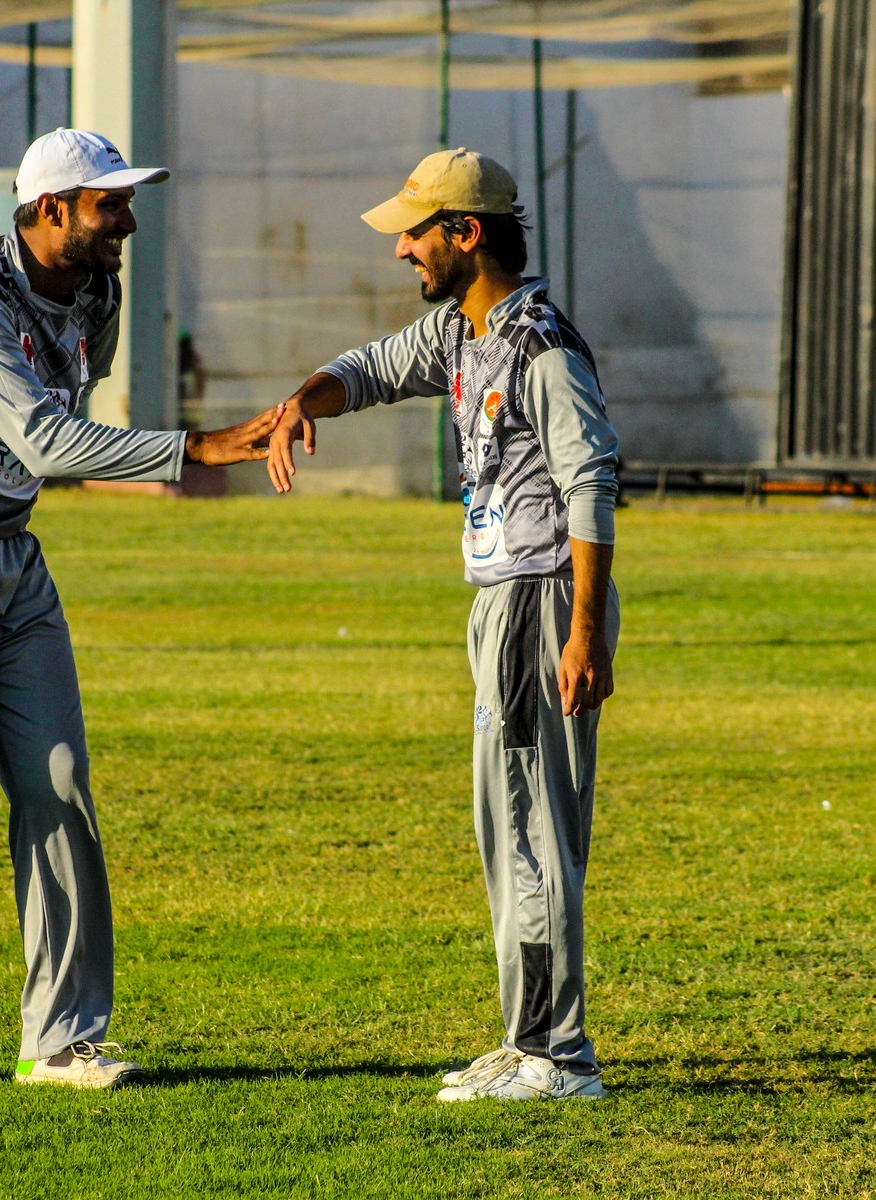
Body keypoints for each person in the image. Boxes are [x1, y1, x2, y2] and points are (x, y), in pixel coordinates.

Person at [0, 127, 280, 1091]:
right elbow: (46, 439)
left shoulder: (97, 294)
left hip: (10, 548)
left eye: (127, 203)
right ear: (50, 211)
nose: (127, 222)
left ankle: (62, 1040)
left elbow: (62, 420)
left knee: (60, 783)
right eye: (110, 204)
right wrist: (197, 448)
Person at [266, 147, 620, 1102]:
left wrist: (584, 632)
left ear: (466, 233)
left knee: (531, 826)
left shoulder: (541, 348)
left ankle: (557, 1057)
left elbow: (591, 485)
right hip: (503, 602)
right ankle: (529, 1040)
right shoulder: (464, 333)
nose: (401, 251)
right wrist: (300, 404)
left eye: (415, 233)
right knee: (507, 824)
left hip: (543, 599)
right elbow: (367, 370)